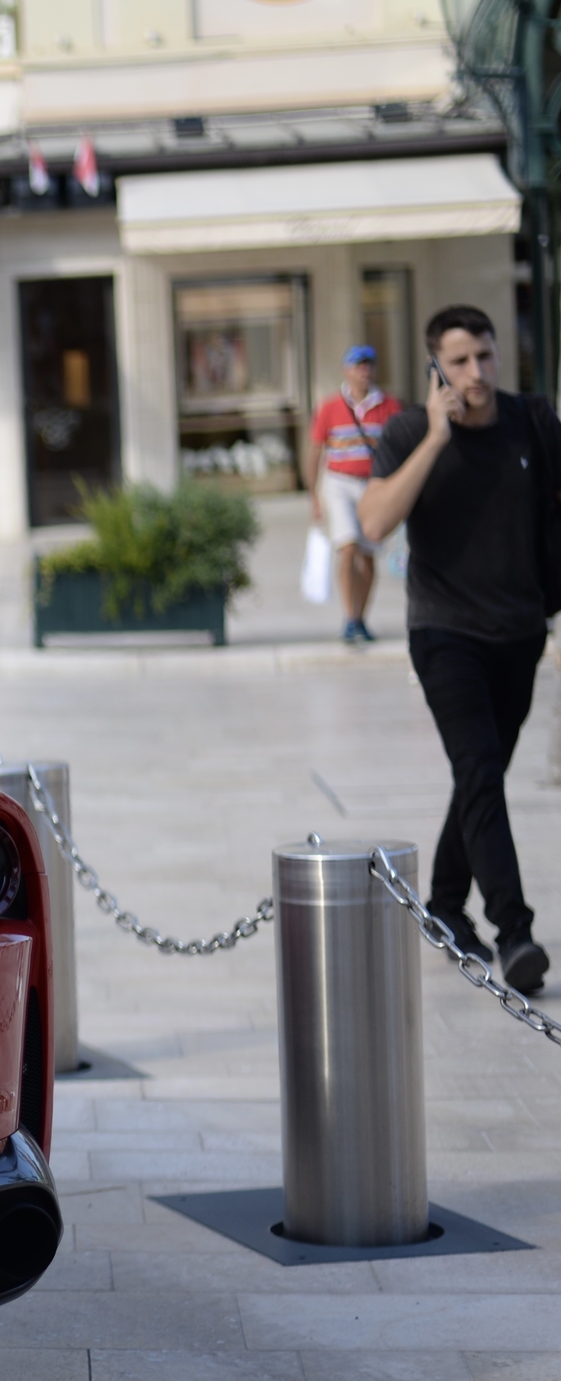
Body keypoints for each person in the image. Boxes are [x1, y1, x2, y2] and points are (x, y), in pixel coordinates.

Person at [359, 304, 560, 996]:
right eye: (462, 359)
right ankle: (515, 931)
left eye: (486, 355)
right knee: (479, 769)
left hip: (520, 632)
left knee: (482, 779)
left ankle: (445, 904)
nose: (478, 371)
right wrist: (438, 437)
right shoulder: (411, 431)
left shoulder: (531, 420)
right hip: (445, 635)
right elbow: (376, 521)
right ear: (435, 366)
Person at [306, 344, 402, 643]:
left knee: (367, 555)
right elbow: (314, 451)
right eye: (358, 365)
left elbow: (399, 449)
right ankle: (349, 617)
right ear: (346, 370)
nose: (364, 370)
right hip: (339, 482)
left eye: (368, 365)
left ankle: (361, 617)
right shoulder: (330, 406)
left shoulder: (388, 406)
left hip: (373, 484)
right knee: (347, 547)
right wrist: (314, 495)